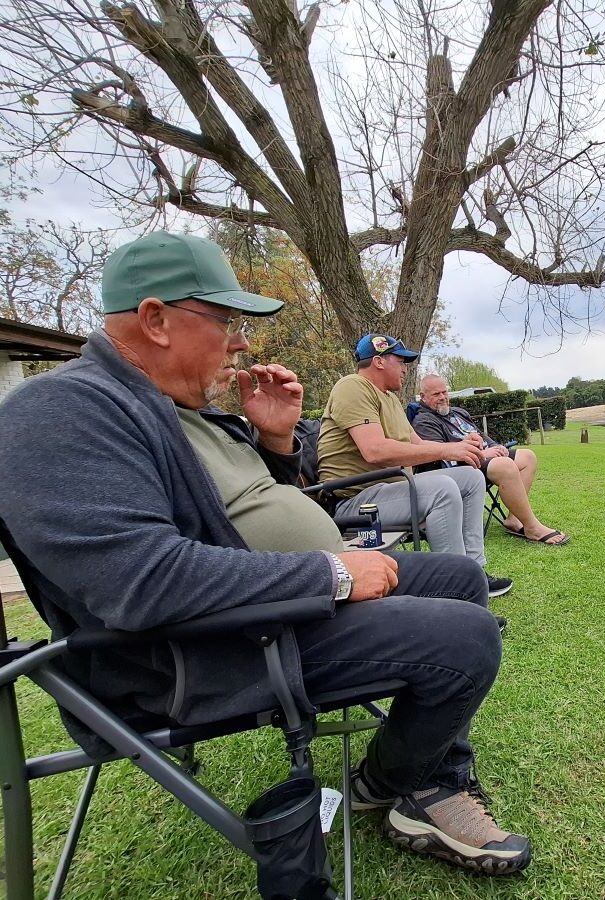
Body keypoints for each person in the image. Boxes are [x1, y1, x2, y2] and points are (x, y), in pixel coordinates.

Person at [0, 232, 531, 875]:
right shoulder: (59, 411)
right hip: (200, 651)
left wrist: (276, 442)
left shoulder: (181, 407)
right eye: (224, 320)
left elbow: (243, 517)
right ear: (155, 319)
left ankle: (414, 774)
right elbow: (139, 582)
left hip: (268, 605)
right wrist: (330, 573)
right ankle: (401, 786)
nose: (242, 342)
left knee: (455, 578)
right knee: (465, 638)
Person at [317, 336, 513, 597]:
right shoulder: (352, 386)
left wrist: (461, 443)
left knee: (471, 477)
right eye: (400, 361)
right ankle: (453, 591)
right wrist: (447, 449)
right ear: (378, 362)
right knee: (442, 488)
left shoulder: (390, 400)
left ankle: (474, 573)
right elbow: (374, 451)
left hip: (391, 491)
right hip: (356, 501)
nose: (405, 368)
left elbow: (419, 446)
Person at [413, 374, 570, 546]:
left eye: (444, 392)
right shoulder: (424, 421)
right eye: (436, 394)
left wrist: (496, 446)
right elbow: (441, 457)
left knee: (528, 457)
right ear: (423, 397)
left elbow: (481, 435)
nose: (443, 397)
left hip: (483, 458)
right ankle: (532, 527)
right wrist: (483, 454)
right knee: (505, 465)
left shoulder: (458, 413)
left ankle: (514, 519)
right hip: (462, 467)